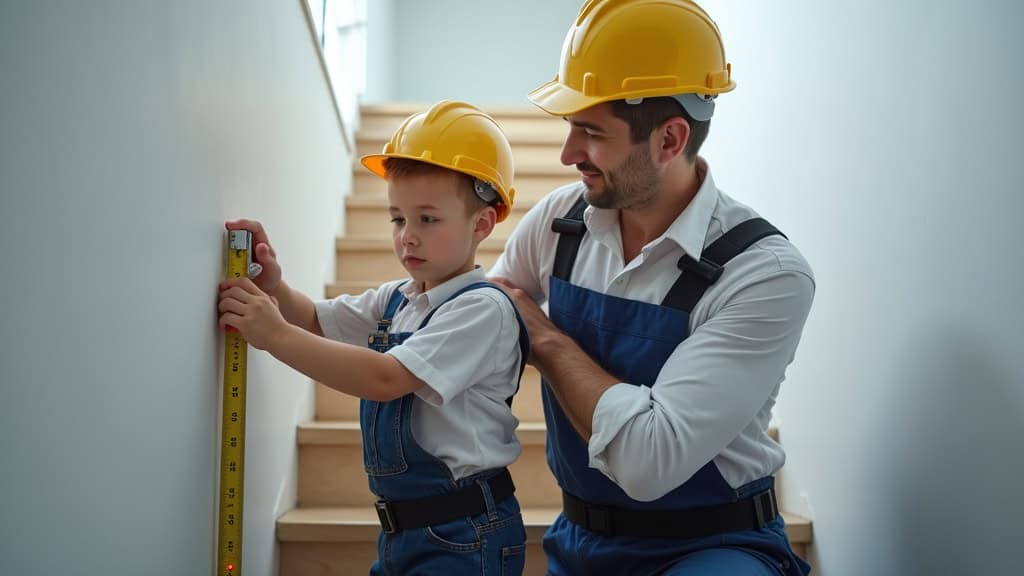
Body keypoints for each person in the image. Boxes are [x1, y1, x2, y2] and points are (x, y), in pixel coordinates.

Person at [489, 1, 815, 574]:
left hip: (717, 547)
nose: (568, 155)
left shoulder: (764, 274)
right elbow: (483, 313)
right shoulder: (561, 222)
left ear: (669, 139)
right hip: (579, 541)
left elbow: (646, 462)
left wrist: (544, 337)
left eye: (590, 133)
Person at [217, 100, 530, 575]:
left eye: (428, 219)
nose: (408, 236)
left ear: (482, 224)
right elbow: (316, 320)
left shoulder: (481, 310)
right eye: (398, 218)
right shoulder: (397, 300)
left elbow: (385, 378)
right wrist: (275, 287)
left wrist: (273, 335)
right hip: (400, 531)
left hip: (467, 534)